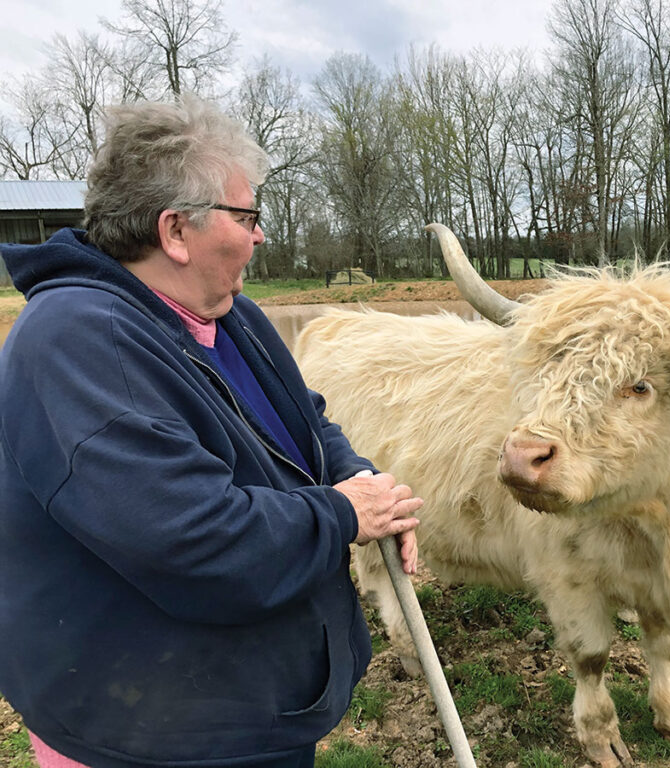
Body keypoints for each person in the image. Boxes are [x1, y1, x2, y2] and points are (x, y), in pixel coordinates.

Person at [0, 95, 422, 768]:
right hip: (149, 731)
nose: (260, 236)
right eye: (247, 215)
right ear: (175, 231)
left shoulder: (231, 317)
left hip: (235, 705)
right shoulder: (80, 343)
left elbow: (304, 422)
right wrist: (343, 514)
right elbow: (194, 541)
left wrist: (357, 477)